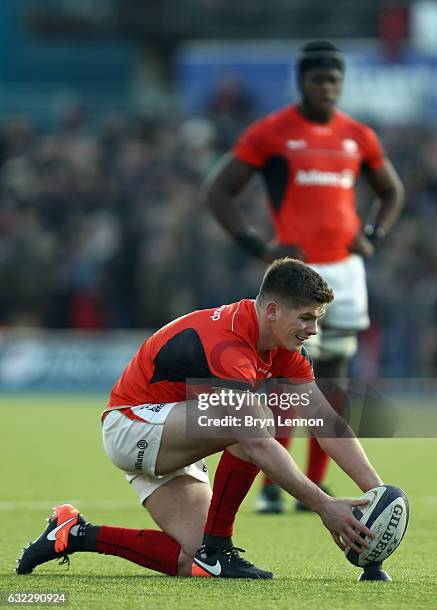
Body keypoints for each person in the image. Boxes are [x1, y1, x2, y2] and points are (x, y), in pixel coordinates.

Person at [17, 258, 383, 580]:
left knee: (192, 563)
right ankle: (219, 546)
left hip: (175, 433)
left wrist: (378, 494)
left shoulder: (282, 346)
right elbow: (254, 442)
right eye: (306, 318)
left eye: (317, 319)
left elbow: (326, 422)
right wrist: (323, 506)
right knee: (256, 419)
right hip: (131, 425)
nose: (313, 331)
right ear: (272, 310)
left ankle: (74, 533)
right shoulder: (228, 344)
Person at [205, 41, 404, 513]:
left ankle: (314, 484)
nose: (327, 89)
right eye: (319, 81)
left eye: (334, 81)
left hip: (347, 275)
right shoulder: (272, 132)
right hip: (296, 277)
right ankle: (275, 487)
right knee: (287, 382)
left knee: (333, 385)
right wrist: (258, 246)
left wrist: (373, 232)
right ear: (302, 83)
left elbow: (391, 191)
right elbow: (219, 191)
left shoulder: (358, 135)